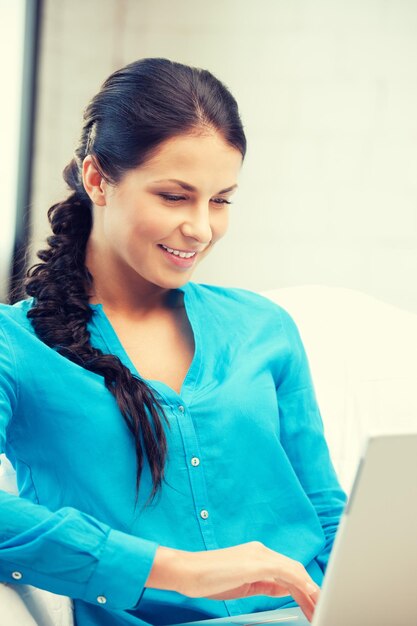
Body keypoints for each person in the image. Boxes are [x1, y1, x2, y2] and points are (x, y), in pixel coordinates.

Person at [0, 58, 346, 626]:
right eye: (174, 196)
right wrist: (179, 569)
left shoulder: (266, 327)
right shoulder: (17, 346)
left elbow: (326, 510)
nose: (202, 228)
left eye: (221, 200)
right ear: (97, 180)